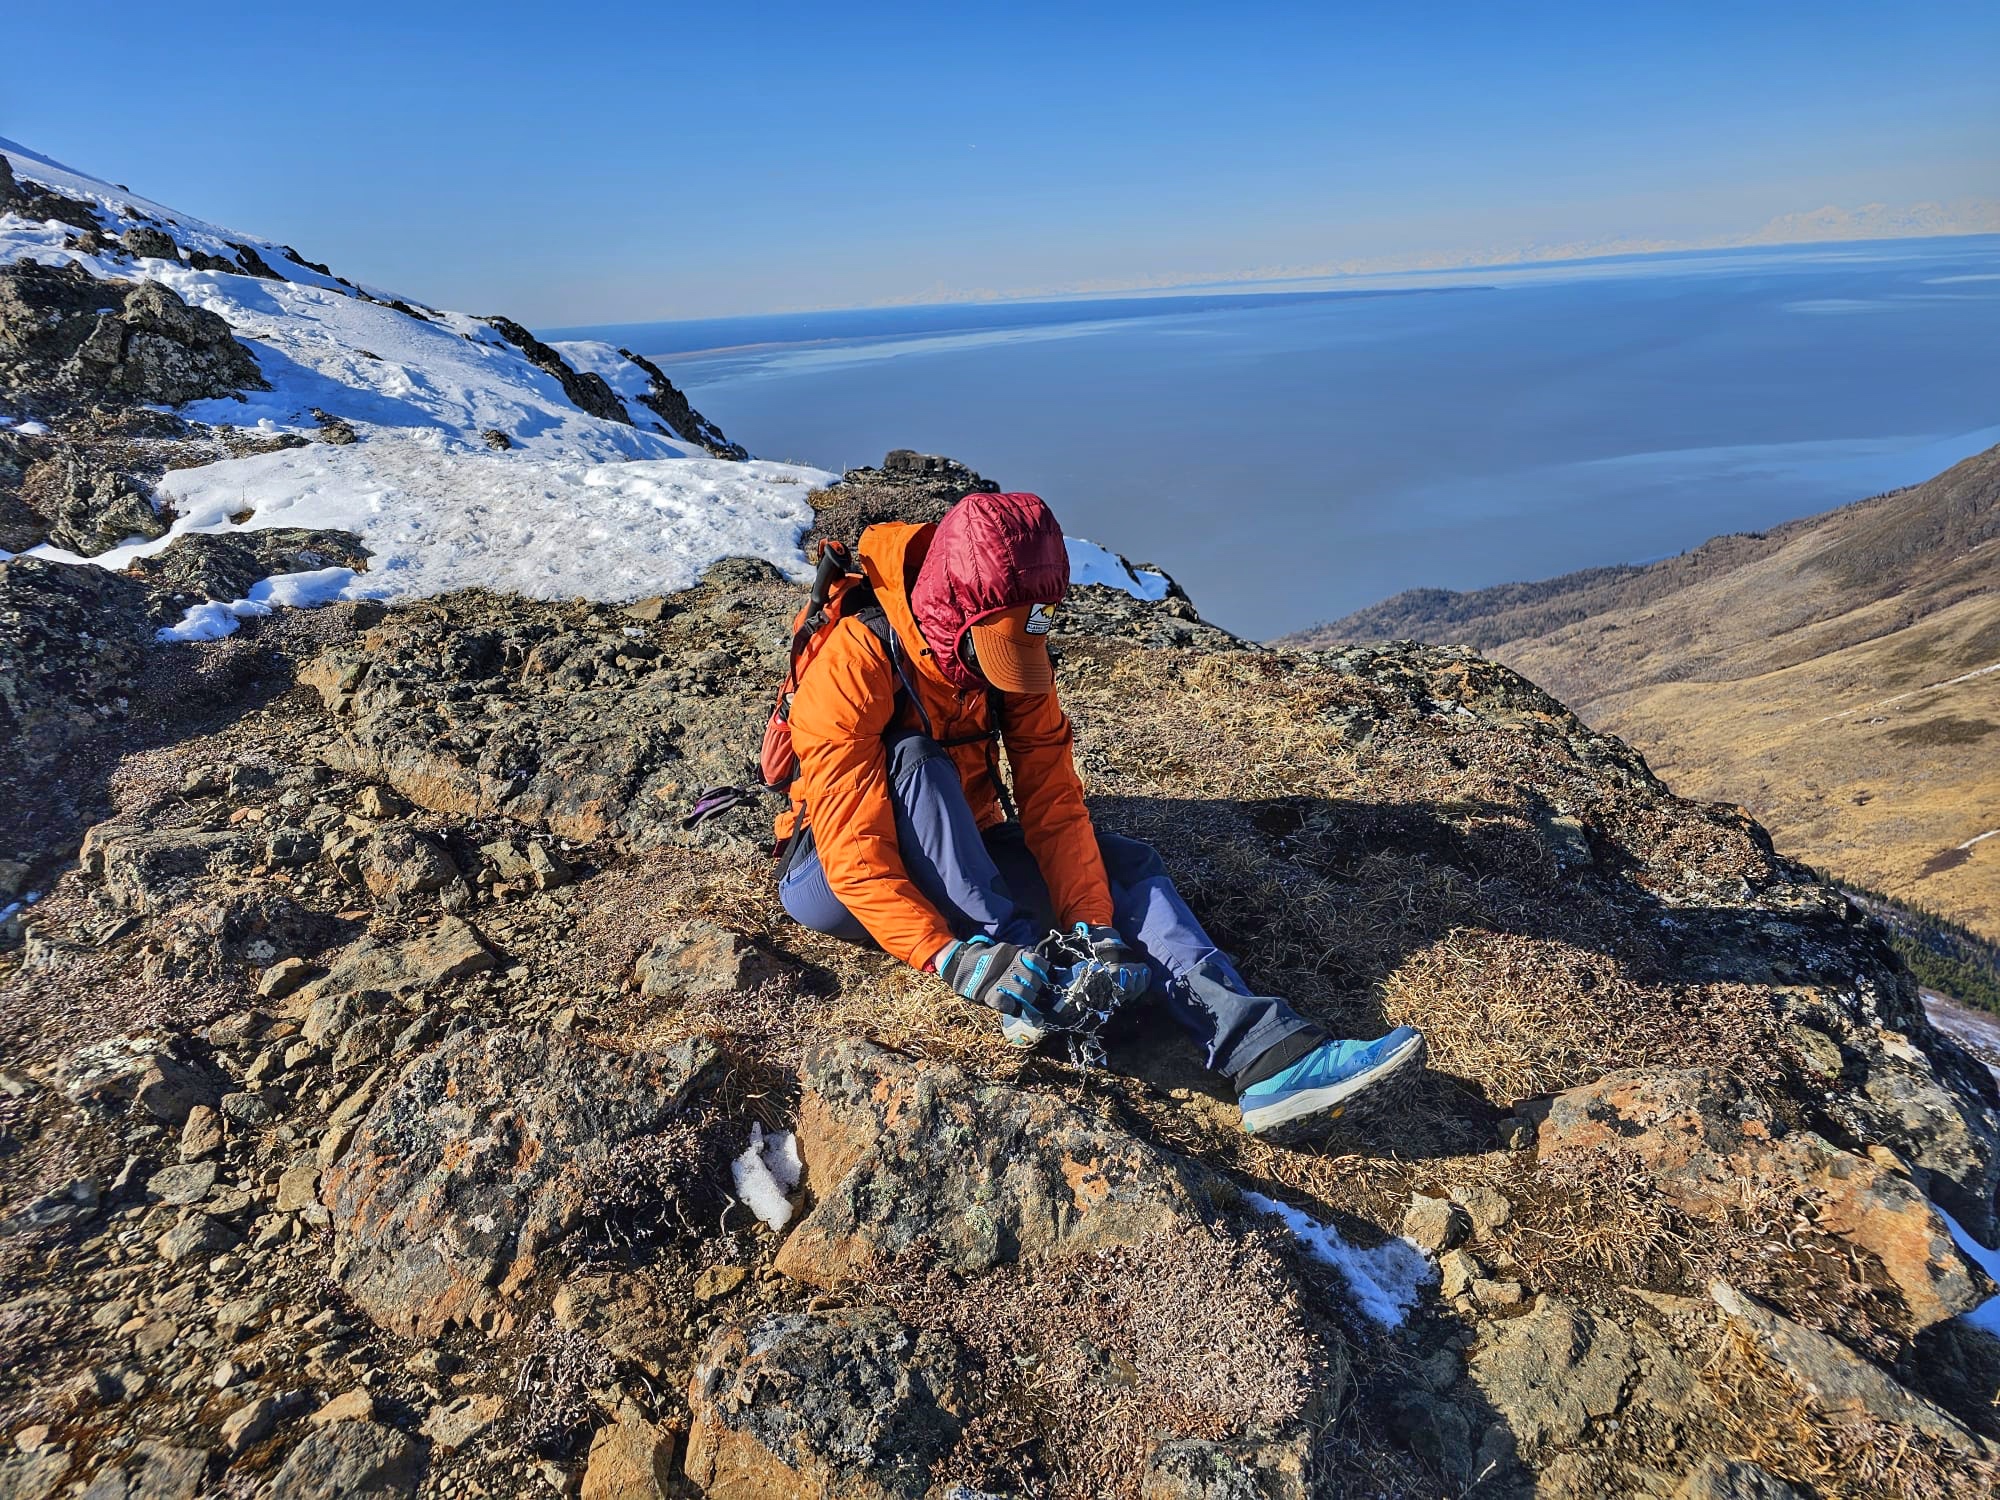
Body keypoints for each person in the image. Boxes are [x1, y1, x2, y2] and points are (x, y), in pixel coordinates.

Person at [773, 490, 1425, 1136]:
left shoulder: (1010, 646)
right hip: (832, 876)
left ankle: (1268, 1055)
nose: (1012, 672)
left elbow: (1053, 803)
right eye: (994, 652)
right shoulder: (855, 660)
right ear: (949, 613)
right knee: (916, 758)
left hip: (958, 847)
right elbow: (853, 855)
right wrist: (954, 958)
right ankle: (1023, 972)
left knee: (1125, 866)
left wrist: (1095, 929)